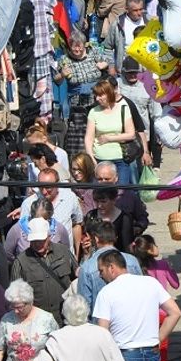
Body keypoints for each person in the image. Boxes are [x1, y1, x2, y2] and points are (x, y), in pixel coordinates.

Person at [12, 217, 79, 325]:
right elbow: (15, 294)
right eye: (34, 241)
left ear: (49, 236)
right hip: (38, 323)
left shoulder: (63, 251)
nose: (38, 244)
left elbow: (77, 277)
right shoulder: (20, 261)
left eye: (41, 240)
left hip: (66, 318)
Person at [55, 32, 109, 160]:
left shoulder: (93, 52)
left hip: (96, 97)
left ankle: (99, 154)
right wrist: (62, 74)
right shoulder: (65, 59)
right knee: (80, 131)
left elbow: (107, 62)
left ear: (84, 45)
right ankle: (82, 157)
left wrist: (103, 65)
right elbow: (57, 79)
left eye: (80, 47)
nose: (77, 50)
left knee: (98, 127)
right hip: (77, 101)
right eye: (74, 47)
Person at [80, 219, 144, 313]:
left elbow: (84, 305)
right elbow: (141, 291)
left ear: (96, 239)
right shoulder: (132, 261)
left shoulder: (87, 268)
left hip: (101, 324)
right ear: (115, 237)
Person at [85, 79, 137, 186]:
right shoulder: (93, 112)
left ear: (108, 94)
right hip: (100, 159)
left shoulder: (123, 109)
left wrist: (109, 138)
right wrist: (91, 156)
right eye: (96, 95)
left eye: (100, 95)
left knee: (121, 193)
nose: (97, 98)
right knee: (102, 194)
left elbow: (131, 134)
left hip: (120, 159)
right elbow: (89, 137)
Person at [93, 161, 150, 237]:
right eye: (100, 179)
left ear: (116, 177)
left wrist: (132, 231)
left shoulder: (129, 196)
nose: (103, 183)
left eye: (107, 179)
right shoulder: (90, 195)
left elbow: (142, 219)